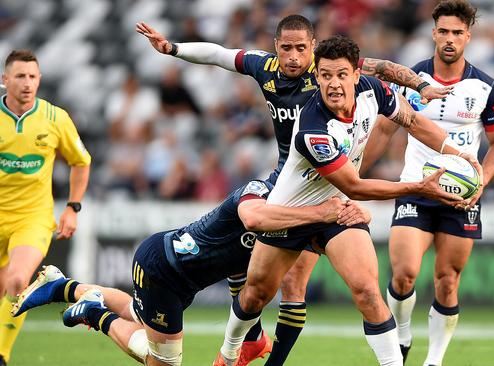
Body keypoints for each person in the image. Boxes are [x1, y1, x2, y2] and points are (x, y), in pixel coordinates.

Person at [136, 14, 451, 366]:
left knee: (345, 286)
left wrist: (422, 89)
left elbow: (385, 69)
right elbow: (219, 55)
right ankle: (235, 346)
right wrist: (173, 48)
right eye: (286, 48)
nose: (293, 57)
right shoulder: (266, 69)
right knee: (258, 285)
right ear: (276, 47)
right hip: (289, 186)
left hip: (336, 190)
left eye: (301, 48)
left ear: (313, 49)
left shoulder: (331, 68)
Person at [214, 35, 482, 366]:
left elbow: (412, 120)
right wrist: (418, 187)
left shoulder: (375, 91)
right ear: (316, 78)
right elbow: (354, 186)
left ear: (356, 75)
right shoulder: (314, 129)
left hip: (338, 211)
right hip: (292, 212)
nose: (334, 84)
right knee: (255, 295)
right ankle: (227, 355)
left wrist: (457, 153)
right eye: (325, 75)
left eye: (342, 74)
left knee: (368, 292)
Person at [12, 179, 371, 366]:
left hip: (173, 267)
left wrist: (250, 338)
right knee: (162, 361)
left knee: (139, 314)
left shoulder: (288, 226)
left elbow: (240, 282)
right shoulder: (258, 196)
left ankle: (62, 286)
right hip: (165, 269)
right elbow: (253, 221)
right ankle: (93, 313)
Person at [360, 1, 494, 364]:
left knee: (448, 280)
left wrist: (481, 182)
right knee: (404, 275)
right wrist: (356, 175)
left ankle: (434, 360)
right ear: (433, 33)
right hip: (415, 185)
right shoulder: (410, 79)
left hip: (461, 197)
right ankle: (404, 330)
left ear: (468, 37)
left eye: (457, 33)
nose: (449, 39)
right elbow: (383, 128)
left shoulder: (486, 88)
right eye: (443, 31)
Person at [0, 49, 91, 366]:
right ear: (5, 80)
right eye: (20, 76)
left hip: (32, 217)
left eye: (33, 77)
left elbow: (81, 162)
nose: (27, 83)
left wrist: (72, 208)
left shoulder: (55, 118)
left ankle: (2, 354)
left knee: (16, 281)